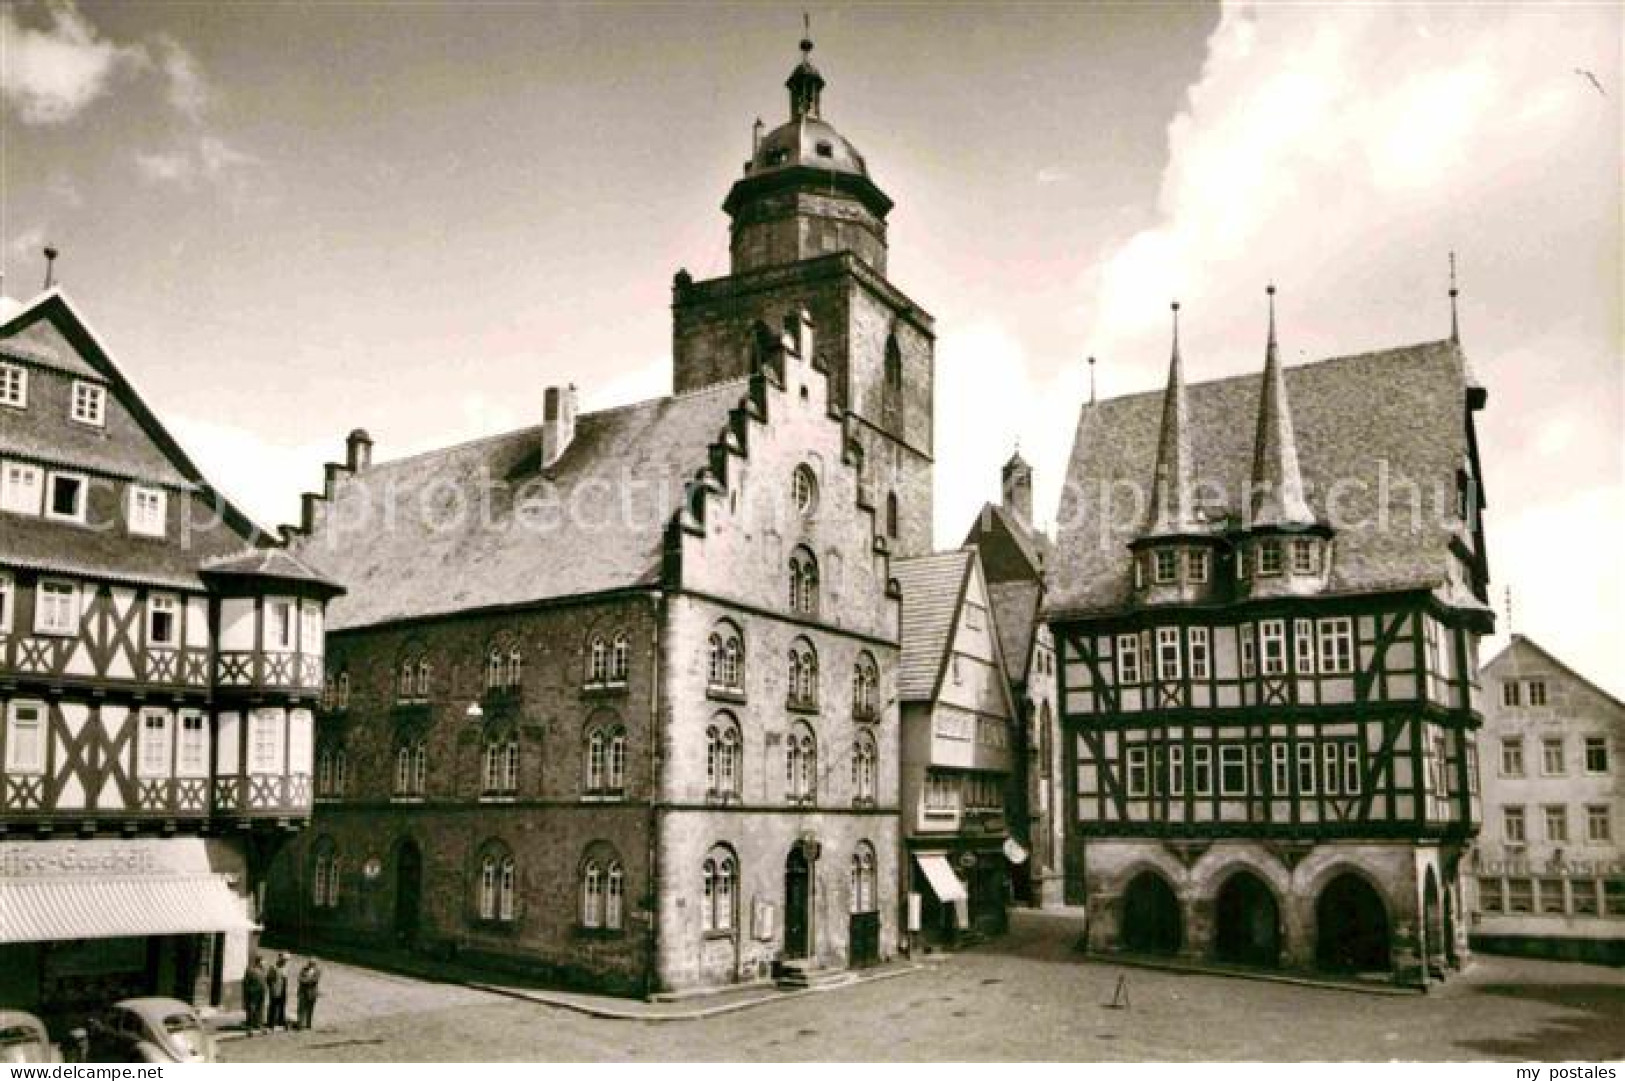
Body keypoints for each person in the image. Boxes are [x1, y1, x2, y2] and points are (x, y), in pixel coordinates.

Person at [242, 955, 267, 1036]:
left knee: (260, 1010)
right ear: (259, 961)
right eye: (263, 961)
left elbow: (264, 981)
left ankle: (259, 1025)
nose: (264, 963)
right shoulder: (250, 970)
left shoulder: (263, 970)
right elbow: (245, 982)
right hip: (252, 993)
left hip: (261, 993)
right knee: (251, 1010)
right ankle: (249, 1028)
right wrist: (247, 992)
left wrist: (265, 989)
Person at [295, 957, 322, 1031]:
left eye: (312, 963)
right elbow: (299, 978)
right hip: (303, 992)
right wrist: (306, 981)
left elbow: (314, 980)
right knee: (301, 1009)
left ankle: (308, 1024)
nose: (310, 964)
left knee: (310, 1009)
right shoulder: (303, 969)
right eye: (310, 963)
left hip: (312, 993)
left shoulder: (317, 971)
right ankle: (299, 1025)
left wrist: (305, 981)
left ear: (315, 964)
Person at [266, 953, 290, 1031]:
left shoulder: (285, 967)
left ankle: (280, 1021)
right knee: (273, 1006)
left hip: (283, 989)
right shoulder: (273, 967)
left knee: (282, 1006)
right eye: (284, 960)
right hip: (275, 989)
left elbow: (285, 979)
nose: (285, 962)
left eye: (286, 961)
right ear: (280, 959)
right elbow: (269, 979)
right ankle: (271, 1023)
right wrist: (272, 988)